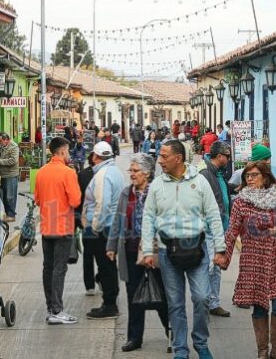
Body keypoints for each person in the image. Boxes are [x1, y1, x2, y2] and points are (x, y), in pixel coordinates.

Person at [141, 140, 225, 359]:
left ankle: (200, 342)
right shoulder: (157, 185)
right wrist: (148, 250)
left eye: (164, 156)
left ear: (178, 158)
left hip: (197, 249)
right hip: (168, 252)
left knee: (202, 297)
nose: (160, 160)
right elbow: (148, 218)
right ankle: (180, 349)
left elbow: (214, 215)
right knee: (175, 303)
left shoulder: (200, 182)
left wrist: (220, 248)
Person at [218, 161, 276, 359]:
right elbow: (232, 232)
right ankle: (263, 351)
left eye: (254, 175)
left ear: (265, 177)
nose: (250, 179)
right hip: (253, 261)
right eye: (247, 176)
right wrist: (224, 256)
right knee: (259, 307)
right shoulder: (241, 202)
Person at [107, 153, 169, 353]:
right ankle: (134, 338)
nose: (131, 174)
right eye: (131, 171)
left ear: (147, 173)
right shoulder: (127, 193)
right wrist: (111, 246)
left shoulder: (159, 192)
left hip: (156, 253)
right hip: (131, 252)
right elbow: (117, 220)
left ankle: (173, 334)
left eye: (135, 171)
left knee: (161, 296)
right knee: (134, 296)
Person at [35, 137, 81, 325]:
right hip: (62, 226)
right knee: (59, 269)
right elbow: (76, 200)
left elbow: (37, 199)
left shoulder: (41, 172)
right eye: (68, 151)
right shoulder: (68, 173)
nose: (69, 154)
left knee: (48, 267)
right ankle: (57, 309)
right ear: (62, 152)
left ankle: (50, 306)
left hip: (47, 225)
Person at [82, 142, 125, 319]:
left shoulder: (102, 174)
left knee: (105, 266)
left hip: (103, 228)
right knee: (108, 266)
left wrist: (95, 227)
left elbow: (103, 204)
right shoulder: (114, 171)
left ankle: (109, 304)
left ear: (95, 156)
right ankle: (110, 300)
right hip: (111, 225)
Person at [199, 141, 232, 318]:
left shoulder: (218, 173)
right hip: (210, 229)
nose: (229, 159)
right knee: (209, 267)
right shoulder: (206, 174)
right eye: (227, 156)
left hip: (220, 227)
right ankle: (205, 303)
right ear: (219, 156)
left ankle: (213, 302)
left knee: (216, 267)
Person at [77, 154, 99, 295]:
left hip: (87, 221)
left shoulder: (82, 174)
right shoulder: (107, 173)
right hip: (101, 221)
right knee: (103, 255)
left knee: (88, 254)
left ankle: (89, 285)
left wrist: (78, 220)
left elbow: (77, 199)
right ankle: (102, 280)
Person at [0, 133, 20, 221]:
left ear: (6, 139)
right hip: (1, 174)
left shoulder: (14, 147)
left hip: (11, 175)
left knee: (10, 196)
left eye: (1, 141)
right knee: (3, 195)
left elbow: (13, 161)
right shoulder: (0, 145)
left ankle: (11, 215)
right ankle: (8, 213)